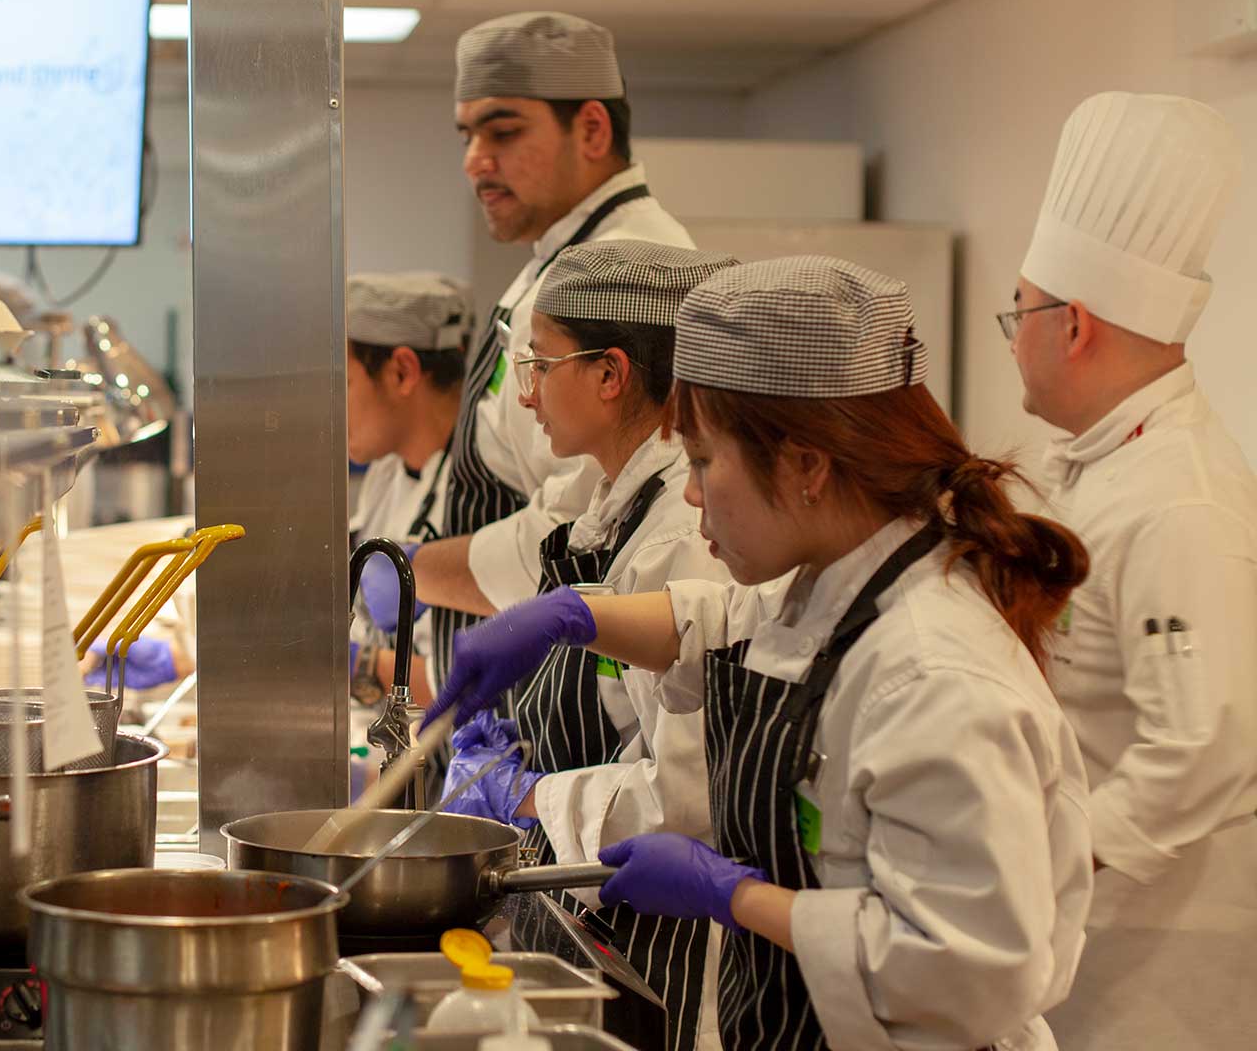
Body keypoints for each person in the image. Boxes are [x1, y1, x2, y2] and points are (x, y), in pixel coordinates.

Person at [430, 257, 1094, 1050]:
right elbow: (728, 622)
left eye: (707, 461)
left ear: (805, 466)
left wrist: (734, 896)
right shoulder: (835, 584)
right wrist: (572, 617)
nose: (691, 492)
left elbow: (966, 973)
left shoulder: (932, 674)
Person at [1001, 91, 1257, 1047]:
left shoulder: (1180, 499)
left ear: (1075, 326)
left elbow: (1205, 747)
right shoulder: (1109, 463)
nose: (1012, 336)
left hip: (1158, 956)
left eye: (1016, 314)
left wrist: (1037, 853)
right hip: (1091, 929)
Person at [435, 239, 735, 1051]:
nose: (525, 396)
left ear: (610, 375)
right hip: (606, 915)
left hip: (672, 947)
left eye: (540, 366)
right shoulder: (611, 497)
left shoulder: (687, 526)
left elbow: (689, 793)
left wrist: (524, 796)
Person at [365, 12, 695, 695]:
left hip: (561, 691)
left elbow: (580, 527)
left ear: (593, 129)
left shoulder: (618, 269)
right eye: (468, 135)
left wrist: (417, 568)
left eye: (504, 131)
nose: (474, 160)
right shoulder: (561, 258)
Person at [345, 272, 470, 699]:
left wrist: (351, 664)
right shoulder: (387, 470)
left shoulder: (479, 496)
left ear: (402, 372)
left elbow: (471, 684)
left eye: (342, 384)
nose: (331, 409)